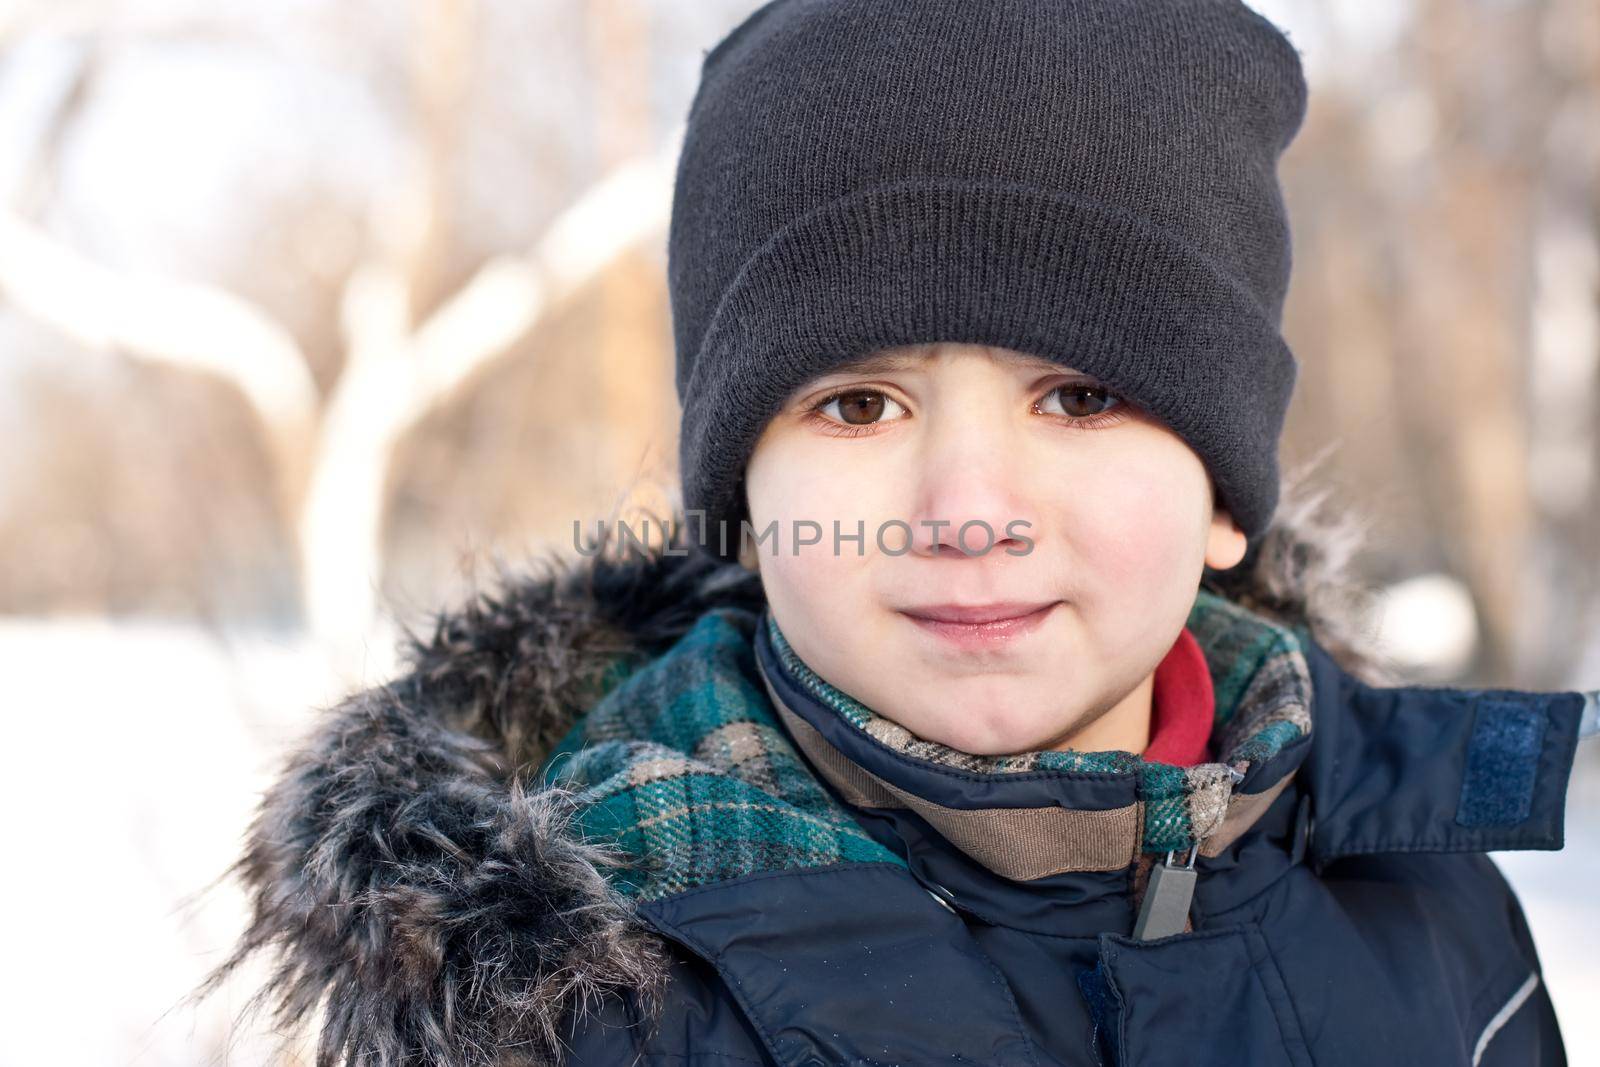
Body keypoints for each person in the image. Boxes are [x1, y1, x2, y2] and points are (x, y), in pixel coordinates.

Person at [211, 2, 1599, 1064]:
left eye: (1082, 394)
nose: (968, 510)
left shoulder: (1413, 885)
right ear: (743, 499)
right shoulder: (588, 988)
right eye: (861, 404)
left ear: (1227, 494)